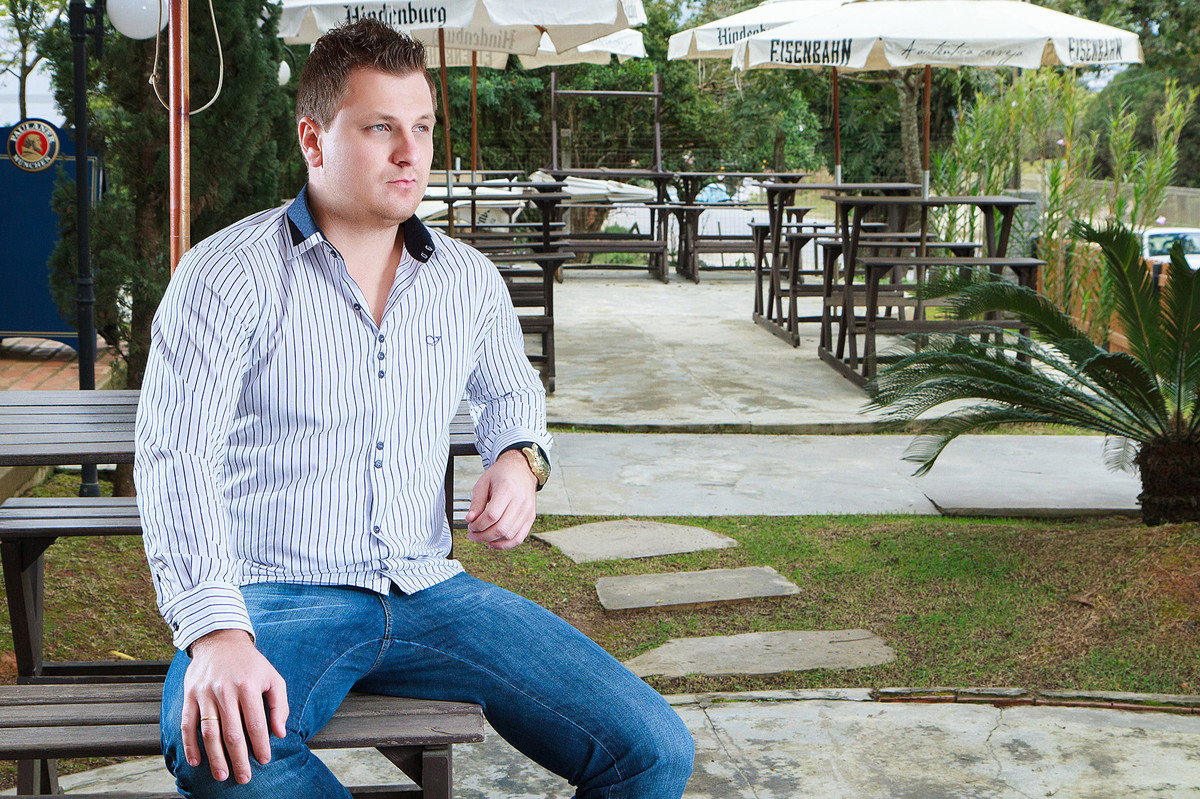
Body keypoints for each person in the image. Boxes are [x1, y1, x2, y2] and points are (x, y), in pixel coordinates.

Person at [135, 18, 694, 798]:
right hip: (278, 593)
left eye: (423, 128)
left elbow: (511, 393)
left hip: (431, 589)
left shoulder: (467, 279)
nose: (412, 153)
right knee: (214, 751)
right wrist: (218, 633)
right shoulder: (224, 275)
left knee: (655, 751)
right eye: (381, 128)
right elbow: (173, 457)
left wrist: (519, 460)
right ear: (313, 138)